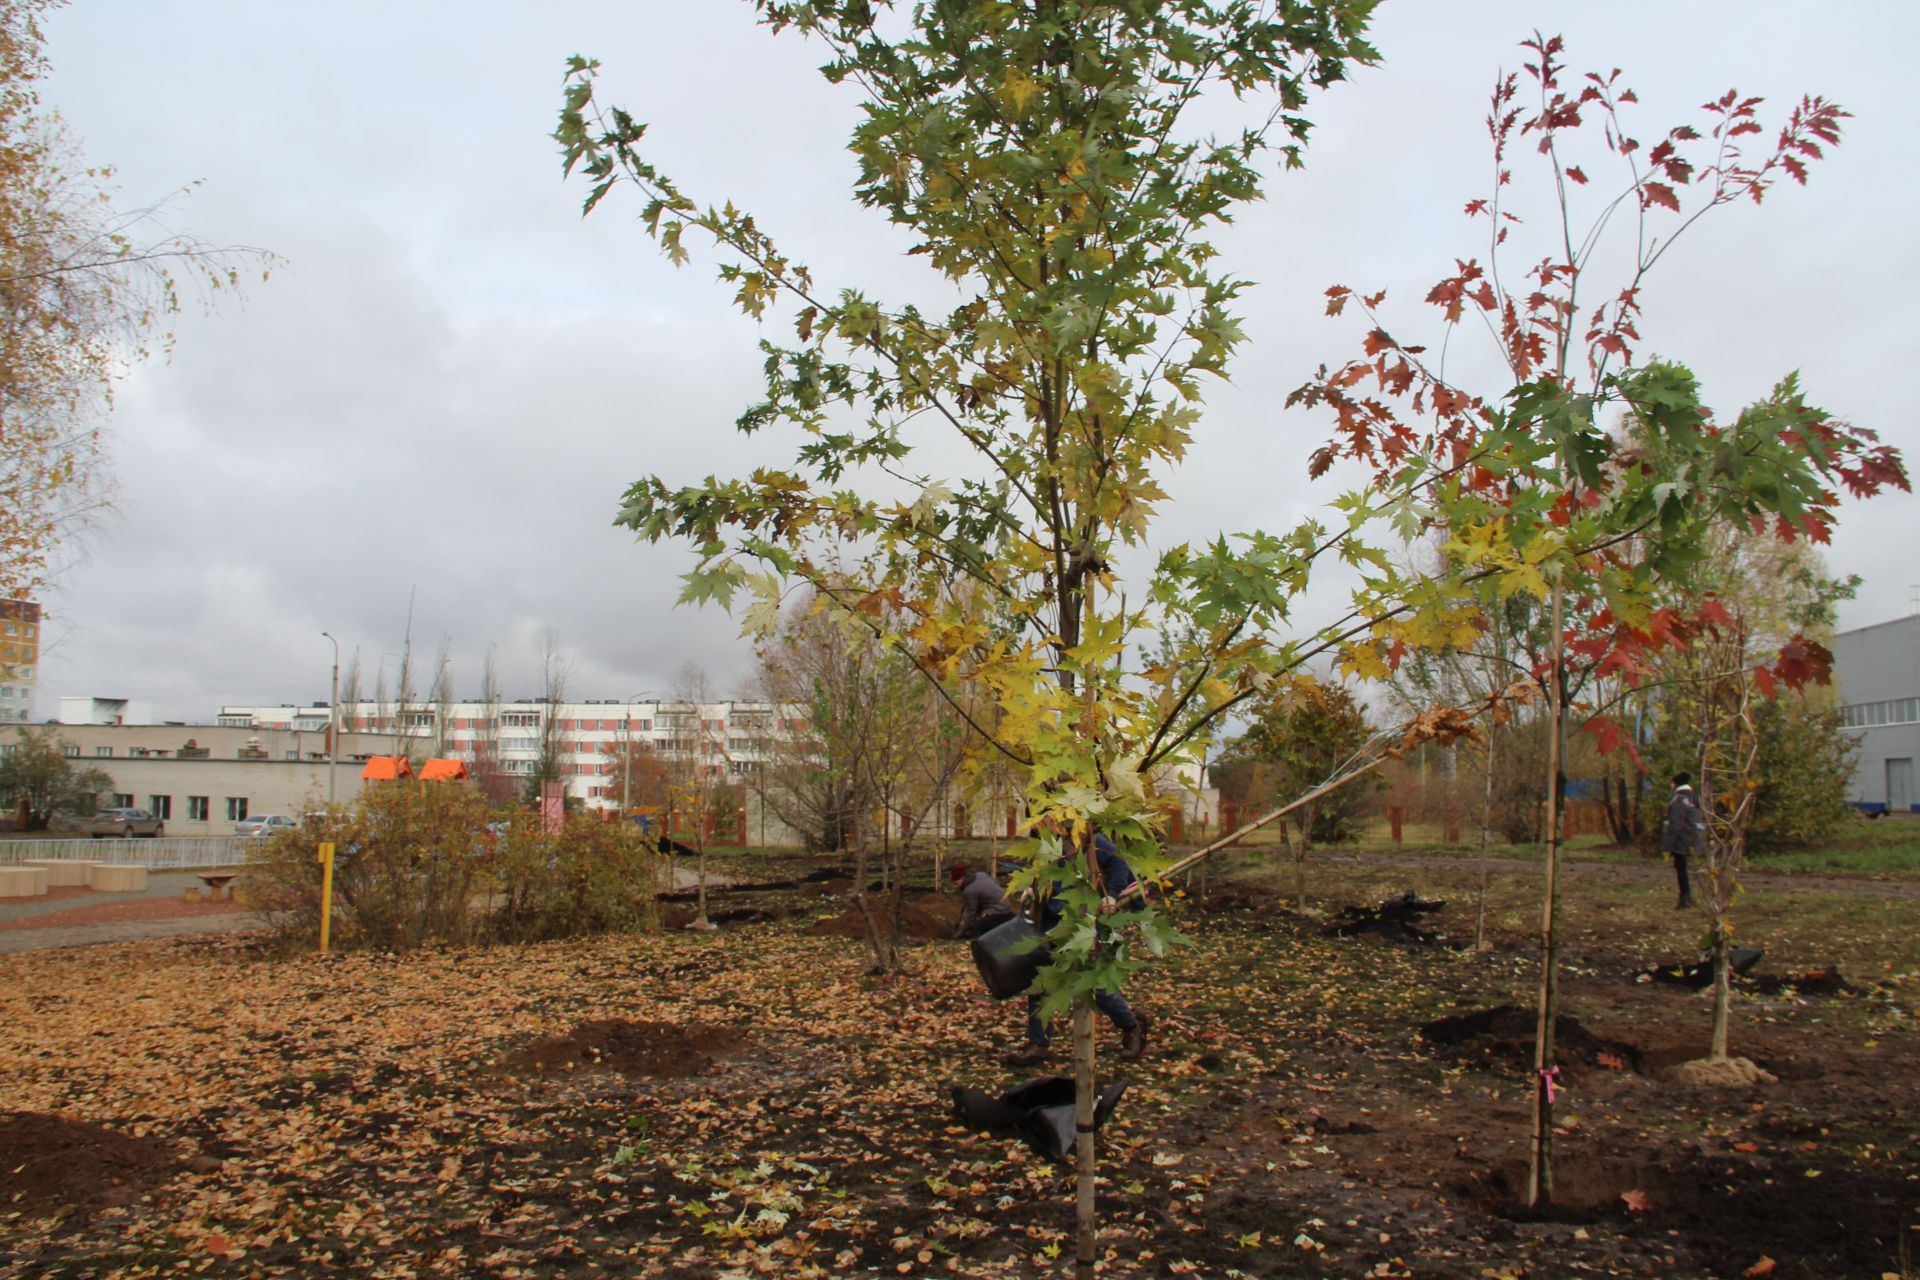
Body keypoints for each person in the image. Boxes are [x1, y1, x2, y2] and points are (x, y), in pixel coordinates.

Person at [1006, 834, 1150, 1066]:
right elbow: (1037, 872)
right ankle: (1039, 1043)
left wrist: (1111, 895)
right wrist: (1031, 888)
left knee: (1090, 985)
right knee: (1041, 983)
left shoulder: (1084, 836)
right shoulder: (1043, 842)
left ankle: (1132, 1026)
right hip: (1052, 926)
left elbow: (1118, 862)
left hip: (1084, 924)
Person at [1661, 772, 1702, 909]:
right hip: (1694, 837)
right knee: (1686, 867)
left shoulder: (1678, 799)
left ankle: (1685, 898)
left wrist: (1667, 844)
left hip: (1682, 838)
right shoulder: (1695, 798)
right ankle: (1687, 896)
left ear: (1676, 783)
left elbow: (1676, 823)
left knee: (1681, 868)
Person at [951, 862, 1015, 940]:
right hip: (1008, 909)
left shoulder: (969, 891)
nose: (956, 886)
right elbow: (996, 884)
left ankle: (976, 944)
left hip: (998, 913)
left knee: (975, 927)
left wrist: (959, 933)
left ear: (963, 877)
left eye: (956, 883)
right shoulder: (981, 875)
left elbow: (971, 915)